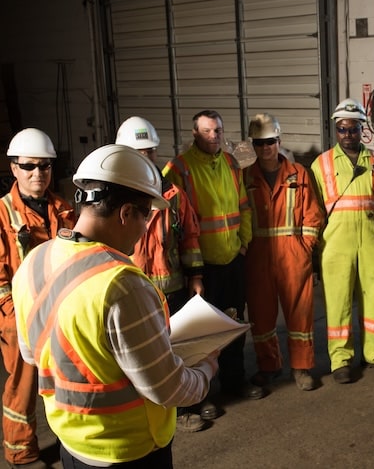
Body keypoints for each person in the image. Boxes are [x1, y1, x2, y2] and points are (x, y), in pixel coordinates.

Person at [13, 144, 219, 468]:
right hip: (128, 451)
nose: (144, 231)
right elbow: (168, 390)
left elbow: (31, 353)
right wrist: (206, 367)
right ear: (125, 214)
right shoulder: (124, 286)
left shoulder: (33, 262)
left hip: (72, 448)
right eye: (146, 218)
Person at [115, 116, 210, 432]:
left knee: (179, 349)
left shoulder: (172, 195)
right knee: (139, 355)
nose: (146, 159)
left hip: (172, 287)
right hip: (130, 292)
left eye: (150, 152)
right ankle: (143, 412)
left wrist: (195, 276)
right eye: (138, 152)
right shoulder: (113, 199)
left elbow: (190, 237)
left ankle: (185, 407)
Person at [163, 110, 262, 400]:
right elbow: (171, 222)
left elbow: (244, 206)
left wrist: (243, 243)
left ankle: (235, 384)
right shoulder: (178, 169)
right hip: (200, 266)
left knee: (232, 326)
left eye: (217, 130)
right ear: (194, 134)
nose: (213, 136)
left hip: (233, 259)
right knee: (201, 334)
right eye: (207, 131)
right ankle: (201, 396)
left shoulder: (232, 163)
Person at [0, 128, 76, 468]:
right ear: (13, 168)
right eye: (29, 166)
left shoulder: (62, 207)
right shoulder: (3, 214)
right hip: (21, 316)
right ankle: (21, 453)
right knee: (23, 386)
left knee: (66, 380)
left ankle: (70, 441)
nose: (38, 174)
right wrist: (12, 316)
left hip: (60, 312)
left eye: (45, 167)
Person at [310, 98, 374, 384]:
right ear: (335, 130)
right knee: (338, 303)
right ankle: (341, 359)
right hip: (336, 243)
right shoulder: (321, 163)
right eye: (342, 129)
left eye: (353, 129)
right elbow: (313, 209)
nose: (348, 134)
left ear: (363, 129)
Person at [243, 113, 324, 391]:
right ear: (253, 145)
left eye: (270, 142)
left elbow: (313, 215)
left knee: (299, 315)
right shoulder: (245, 178)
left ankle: (301, 368)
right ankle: (269, 366)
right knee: (262, 317)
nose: (265, 148)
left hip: (293, 256)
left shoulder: (298, 174)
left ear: (279, 141)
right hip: (258, 257)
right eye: (259, 143)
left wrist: (305, 247)